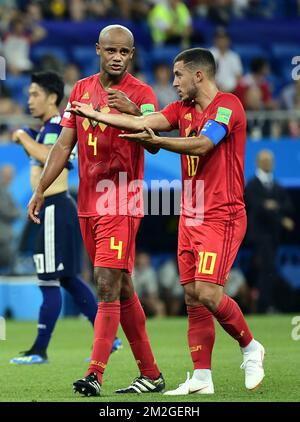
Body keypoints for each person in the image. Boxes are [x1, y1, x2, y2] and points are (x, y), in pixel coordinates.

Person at [66, 47, 266, 395]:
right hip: (190, 212)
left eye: (178, 75)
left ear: (198, 76)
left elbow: (204, 144)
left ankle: (250, 347)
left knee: (207, 291)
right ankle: (202, 377)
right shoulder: (181, 109)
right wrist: (96, 114)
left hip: (222, 213)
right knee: (190, 294)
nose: (173, 83)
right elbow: (143, 122)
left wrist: (157, 140)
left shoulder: (227, 105)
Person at [27, 25, 165, 396]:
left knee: (105, 283)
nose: (117, 57)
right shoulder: (80, 91)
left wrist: (135, 114)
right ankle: (151, 374)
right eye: (111, 51)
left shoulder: (143, 94)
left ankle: (94, 374)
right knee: (121, 289)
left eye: (124, 52)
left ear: (132, 55)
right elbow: (63, 146)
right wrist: (41, 188)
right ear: (98, 51)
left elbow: (154, 145)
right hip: (89, 205)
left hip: (123, 200)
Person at [9, 71, 122, 365]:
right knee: (69, 279)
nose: (29, 99)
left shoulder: (57, 125)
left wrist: (22, 136)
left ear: (52, 97)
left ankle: (39, 350)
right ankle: (108, 338)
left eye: (35, 94)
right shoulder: (49, 127)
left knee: (48, 280)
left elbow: (50, 156)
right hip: (60, 208)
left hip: (54, 208)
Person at [245, 149, 295, 313]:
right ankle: (263, 306)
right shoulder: (252, 185)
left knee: (268, 270)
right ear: (258, 162)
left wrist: (273, 206)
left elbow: (288, 206)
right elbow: (258, 208)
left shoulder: (276, 186)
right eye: (265, 160)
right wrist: (280, 218)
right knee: (264, 269)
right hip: (259, 236)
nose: (269, 163)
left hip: (273, 236)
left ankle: (265, 304)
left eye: (270, 160)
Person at [0, 164, 20, 272]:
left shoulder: (5, 191)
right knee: (8, 269)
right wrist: (16, 212)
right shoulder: (1, 191)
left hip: (5, 238)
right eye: (8, 175)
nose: (11, 178)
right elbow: (6, 211)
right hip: (2, 239)